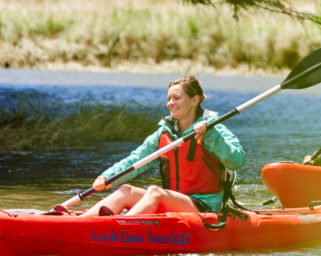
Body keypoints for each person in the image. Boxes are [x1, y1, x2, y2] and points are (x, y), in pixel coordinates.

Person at [80, 75, 246, 216]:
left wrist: (210, 134)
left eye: (176, 98)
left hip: (205, 206)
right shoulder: (163, 133)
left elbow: (237, 160)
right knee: (126, 190)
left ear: (195, 100)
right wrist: (108, 177)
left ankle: (118, 229)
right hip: (173, 199)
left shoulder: (213, 128)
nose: (170, 103)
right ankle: (81, 223)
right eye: (169, 99)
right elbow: (136, 160)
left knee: (155, 192)